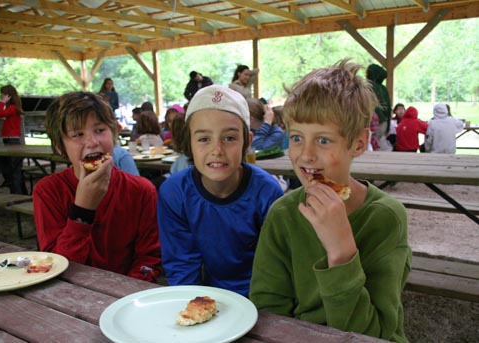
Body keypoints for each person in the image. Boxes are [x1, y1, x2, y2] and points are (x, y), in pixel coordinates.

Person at [249, 60, 411, 343]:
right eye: (297, 138)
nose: (306, 155)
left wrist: (341, 251)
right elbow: (268, 311)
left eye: (323, 141)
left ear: (358, 144)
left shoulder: (385, 217)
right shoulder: (283, 214)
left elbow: (375, 334)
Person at [157, 85, 283, 297]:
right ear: (189, 142)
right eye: (204, 139)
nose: (217, 150)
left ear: (248, 142)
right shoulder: (174, 193)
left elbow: (275, 267)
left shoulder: (266, 192)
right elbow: (181, 265)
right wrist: (195, 305)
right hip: (205, 296)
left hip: (260, 296)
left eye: (230, 138)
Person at [33, 91, 161, 282]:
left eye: (100, 130)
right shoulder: (48, 191)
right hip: (71, 293)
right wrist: (82, 211)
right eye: (78, 134)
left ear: (113, 133)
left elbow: (149, 260)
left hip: (127, 294)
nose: (93, 142)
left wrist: (123, 293)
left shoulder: (142, 190)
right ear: (60, 146)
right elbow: (55, 267)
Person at [0, 84, 26, 194]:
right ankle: (17, 191)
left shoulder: (13, 108)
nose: (1, 96)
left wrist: (1, 102)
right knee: (9, 170)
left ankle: (16, 194)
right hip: (7, 139)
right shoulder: (11, 108)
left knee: (14, 171)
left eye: (3, 94)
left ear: (8, 96)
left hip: (12, 140)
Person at [366, 64, 392, 151]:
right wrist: (387, 124)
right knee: (378, 146)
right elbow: (388, 109)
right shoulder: (384, 89)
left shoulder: (368, 86)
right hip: (383, 123)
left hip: (372, 123)